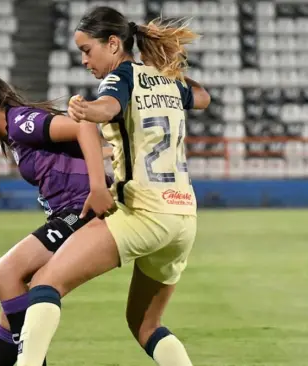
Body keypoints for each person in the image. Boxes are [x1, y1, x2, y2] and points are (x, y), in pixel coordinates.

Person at [16, 7, 211, 366]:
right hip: (184, 217)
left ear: (113, 43)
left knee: (45, 281)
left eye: (87, 50)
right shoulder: (166, 80)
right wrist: (171, 68)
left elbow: (108, 106)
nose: (84, 60)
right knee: (145, 323)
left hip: (144, 212)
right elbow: (203, 98)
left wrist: (88, 109)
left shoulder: (120, 77)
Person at [0, 74, 112, 366]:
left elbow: (84, 125)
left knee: (6, 272)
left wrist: (99, 188)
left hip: (80, 209)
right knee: (11, 312)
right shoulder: (15, 134)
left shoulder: (22, 123)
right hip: (69, 212)